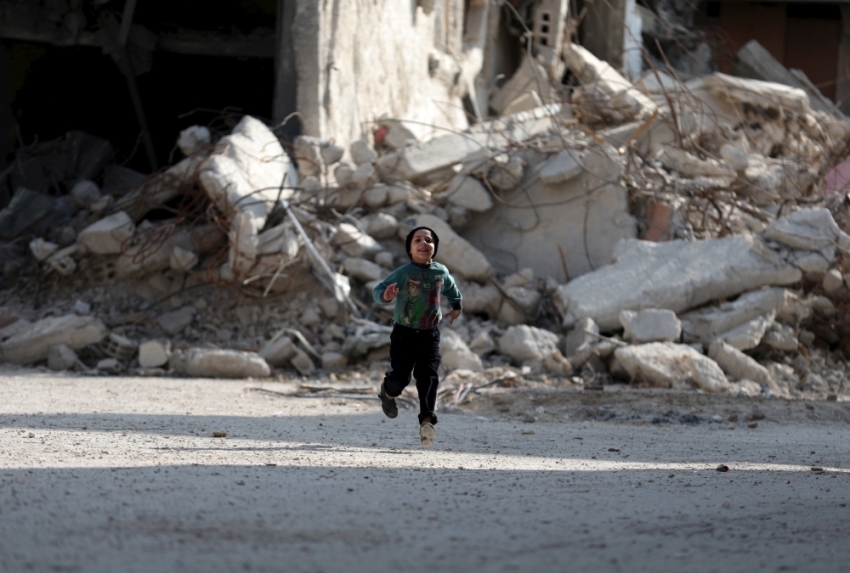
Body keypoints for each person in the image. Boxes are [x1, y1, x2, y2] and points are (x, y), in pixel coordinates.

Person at [372, 226, 462, 446]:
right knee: (400, 378)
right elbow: (378, 290)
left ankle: (427, 421)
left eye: (429, 240)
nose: (424, 243)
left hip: (430, 335)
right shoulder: (403, 273)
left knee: (428, 375)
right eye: (418, 240)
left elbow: (450, 288)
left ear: (434, 247)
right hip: (404, 334)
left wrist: (457, 306)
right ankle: (388, 393)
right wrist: (386, 294)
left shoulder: (441, 271)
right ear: (410, 249)